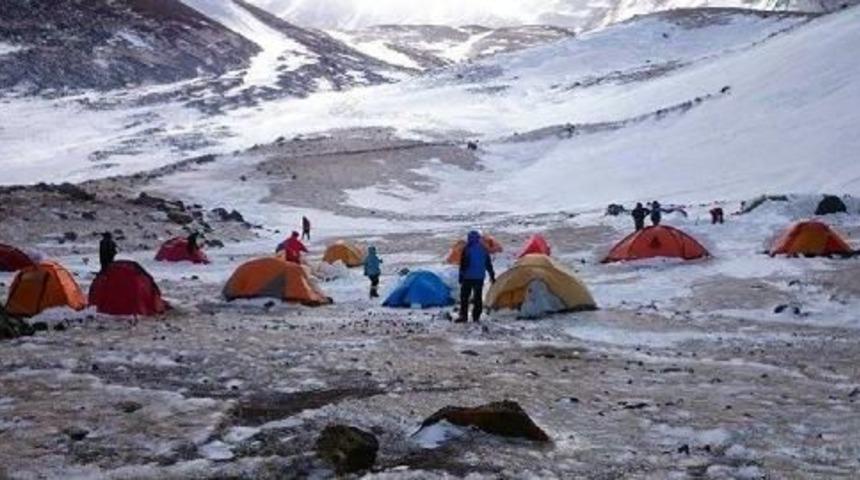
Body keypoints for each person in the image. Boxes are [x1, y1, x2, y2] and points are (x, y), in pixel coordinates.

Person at [457, 231, 496, 323]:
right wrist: (492, 276)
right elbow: (488, 264)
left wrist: (461, 276)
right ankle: (476, 316)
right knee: (477, 297)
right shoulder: (483, 249)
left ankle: (463, 316)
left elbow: (463, 265)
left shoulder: (467, 249)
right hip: (479, 277)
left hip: (468, 277)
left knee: (464, 297)